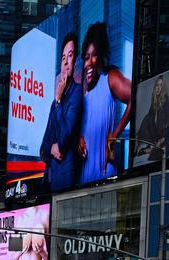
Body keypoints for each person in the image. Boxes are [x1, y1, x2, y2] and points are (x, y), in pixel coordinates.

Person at [77, 22, 132, 184]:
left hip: (104, 174)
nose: (89, 62)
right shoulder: (82, 89)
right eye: (87, 57)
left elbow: (135, 96)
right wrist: (79, 137)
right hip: (83, 178)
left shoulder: (110, 77)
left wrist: (113, 137)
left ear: (101, 56)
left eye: (94, 55)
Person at [40, 32, 83, 191]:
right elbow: (42, 148)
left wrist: (58, 100)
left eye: (69, 56)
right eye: (63, 58)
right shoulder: (55, 103)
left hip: (67, 179)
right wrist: (51, 148)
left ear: (75, 61)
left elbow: (64, 137)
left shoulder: (77, 92)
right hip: (50, 180)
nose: (65, 62)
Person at [135, 74, 169, 162]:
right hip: (156, 134)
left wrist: (163, 138)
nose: (158, 88)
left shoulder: (166, 100)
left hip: (163, 134)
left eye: (160, 85)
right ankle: (139, 143)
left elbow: (168, 121)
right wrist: (138, 136)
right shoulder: (155, 101)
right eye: (157, 85)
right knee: (148, 117)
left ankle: (147, 149)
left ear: (163, 88)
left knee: (161, 153)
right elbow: (149, 117)